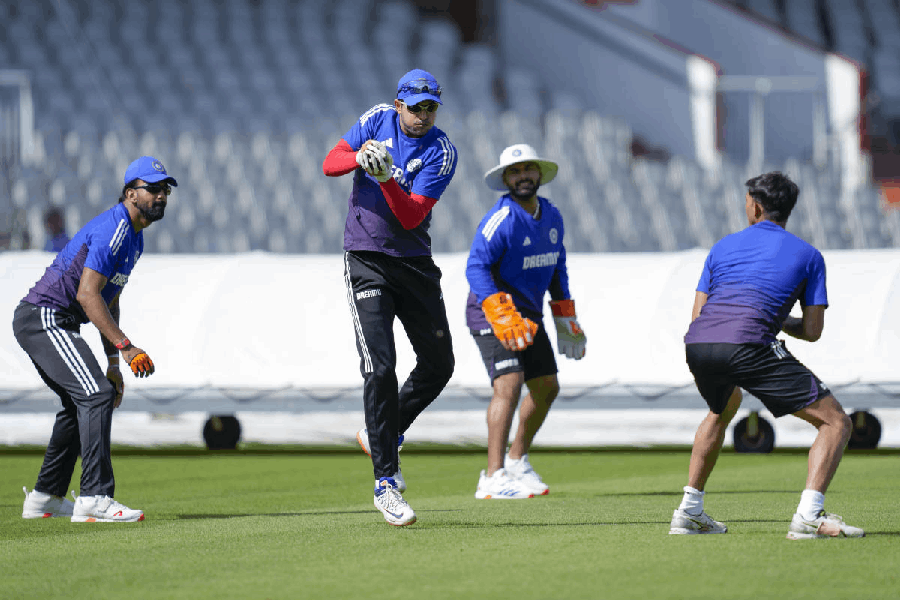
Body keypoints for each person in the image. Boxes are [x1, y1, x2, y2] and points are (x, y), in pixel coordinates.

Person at [669, 172, 864, 540]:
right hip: (748, 344)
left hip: (697, 345)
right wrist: (780, 321)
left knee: (722, 407)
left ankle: (689, 511)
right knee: (836, 423)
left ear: (755, 206)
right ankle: (808, 517)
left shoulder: (721, 247)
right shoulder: (809, 255)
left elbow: (698, 317)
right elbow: (812, 331)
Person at [322, 69, 458, 526]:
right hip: (366, 258)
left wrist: (384, 180)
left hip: (414, 261)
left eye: (430, 107)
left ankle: (382, 431)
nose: (422, 114)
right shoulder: (378, 118)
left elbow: (411, 215)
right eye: (415, 106)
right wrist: (360, 157)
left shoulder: (442, 151)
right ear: (398, 104)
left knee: (440, 364)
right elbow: (330, 162)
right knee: (380, 366)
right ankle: (386, 480)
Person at [17, 156, 176, 523]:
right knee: (95, 395)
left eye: (165, 189)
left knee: (82, 402)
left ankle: (45, 498)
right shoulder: (116, 228)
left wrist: (114, 364)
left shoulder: (133, 240)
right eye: (152, 189)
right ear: (129, 194)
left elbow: (109, 300)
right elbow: (89, 296)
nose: (161, 196)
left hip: (50, 321)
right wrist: (127, 345)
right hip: (44, 318)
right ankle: (94, 498)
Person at [465, 144, 586, 500]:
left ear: (539, 174)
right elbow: (476, 266)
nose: (522, 177)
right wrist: (499, 311)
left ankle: (517, 460)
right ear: (506, 179)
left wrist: (565, 316)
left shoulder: (552, 216)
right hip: (491, 313)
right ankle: (492, 475)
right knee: (510, 383)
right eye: (515, 172)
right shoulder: (501, 219)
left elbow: (555, 265)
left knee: (547, 386)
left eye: (528, 170)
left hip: (528, 316)